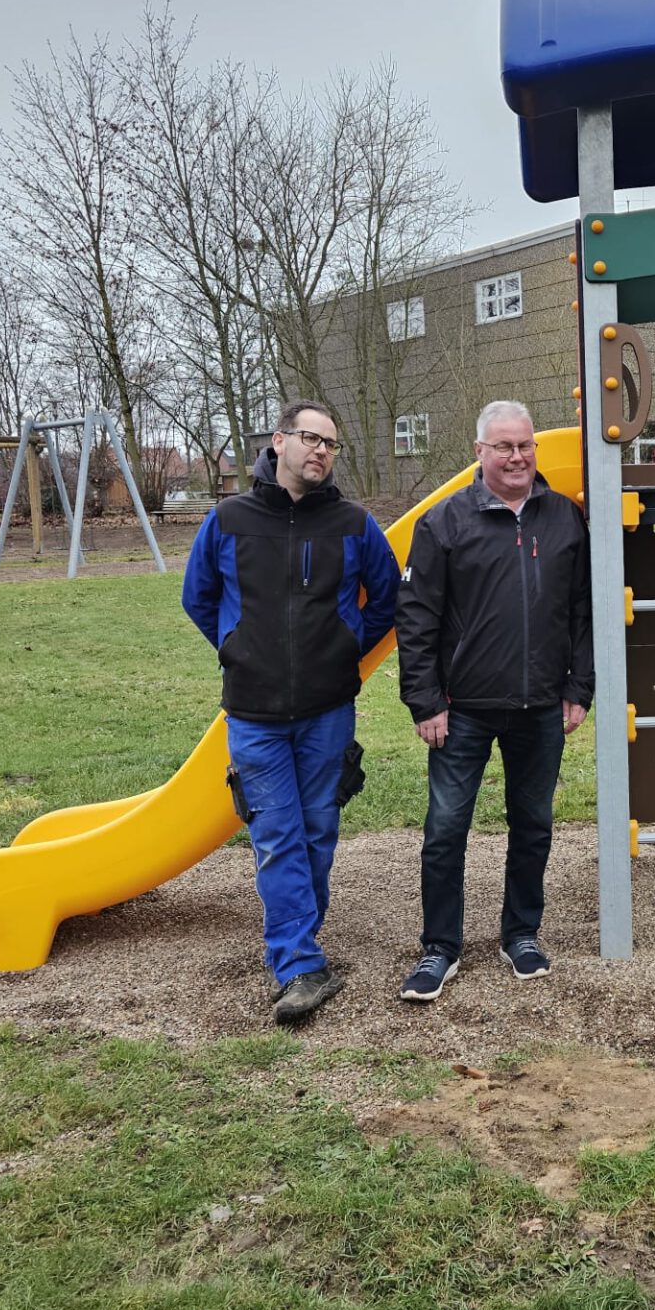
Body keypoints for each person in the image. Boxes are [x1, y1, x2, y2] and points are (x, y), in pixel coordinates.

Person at [182, 400, 400, 1024]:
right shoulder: (228, 520)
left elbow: (385, 601)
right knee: (276, 840)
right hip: (252, 715)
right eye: (310, 438)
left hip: (328, 711)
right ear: (279, 442)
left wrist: (343, 653)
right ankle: (299, 964)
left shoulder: (356, 526)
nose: (321, 450)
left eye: (331, 443)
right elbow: (198, 598)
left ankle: (297, 940)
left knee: (316, 834)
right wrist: (236, 648)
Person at [396, 400, 594, 1002]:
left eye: (525, 446)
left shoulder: (565, 519)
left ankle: (522, 934)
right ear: (479, 452)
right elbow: (416, 618)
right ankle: (440, 947)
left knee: (532, 824)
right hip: (463, 709)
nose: (516, 457)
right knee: (446, 827)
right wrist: (425, 701)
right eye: (503, 446)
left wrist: (578, 688)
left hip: (541, 706)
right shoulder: (444, 524)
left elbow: (585, 612)